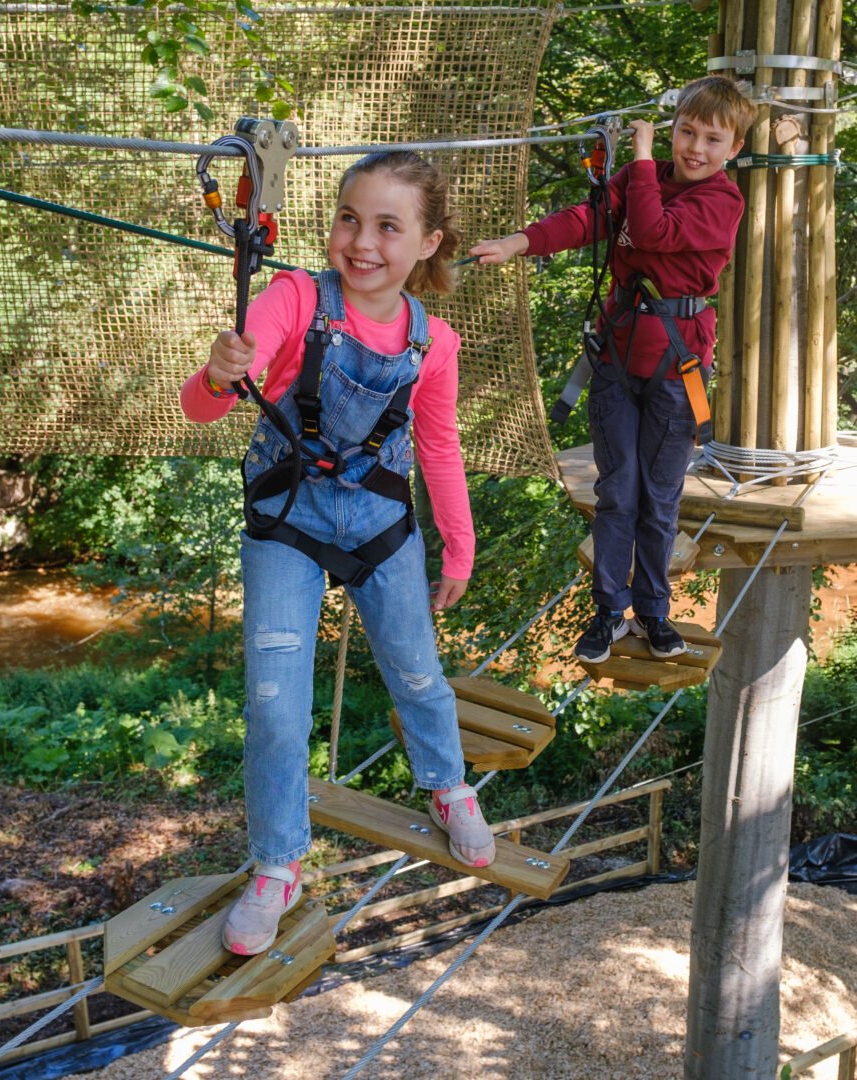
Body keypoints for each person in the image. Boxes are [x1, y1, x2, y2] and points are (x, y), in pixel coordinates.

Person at [183, 151, 494, 956]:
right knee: (275, 701)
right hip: (288, 518)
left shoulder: (436, 343)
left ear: (426, 244)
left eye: (389, 226)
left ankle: (447, 785)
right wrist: (221, 373)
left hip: (381, 523)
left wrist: (457, 549)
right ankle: (276, 865)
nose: (362, 242)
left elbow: (440, 447)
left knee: (418, 671)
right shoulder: (293, 298)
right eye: (350, 219)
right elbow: (204, 404)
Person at [469, 75, 753, 663]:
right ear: (675, 130)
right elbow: (587, 220)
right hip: (619, 359)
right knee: (616, 492)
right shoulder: (638, 180)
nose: (695, 148)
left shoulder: (723, 201)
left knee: (660, 496)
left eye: (712, 139)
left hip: (676, 368)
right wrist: (518, 243)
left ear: (735, 150)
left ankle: (653, 611)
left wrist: (644, 158)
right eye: (686, 132)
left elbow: (651, 230)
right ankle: (608, 611)